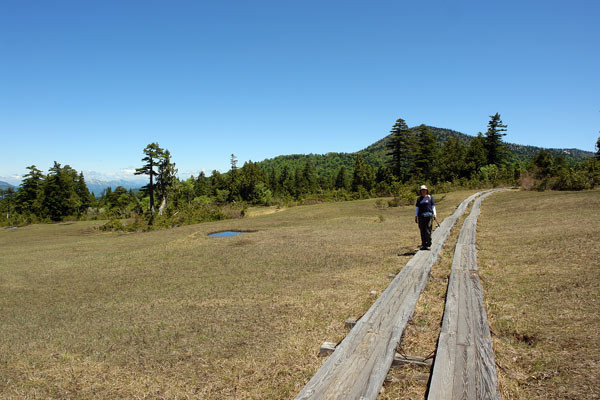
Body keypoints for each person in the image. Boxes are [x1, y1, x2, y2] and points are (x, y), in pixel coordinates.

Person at [414, 185, 438, 250]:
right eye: (422, 190)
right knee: (422, 231)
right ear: (420, 191)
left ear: (426, 190)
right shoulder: (419, 199)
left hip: (429, 216)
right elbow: (417, 208)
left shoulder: (430, 198)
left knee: (428, 230)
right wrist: (416, 216)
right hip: (421, 217)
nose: (423, 191)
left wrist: (435, 215)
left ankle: (429, 242)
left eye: (424, 190)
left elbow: (433, 206)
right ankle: (424, 244)